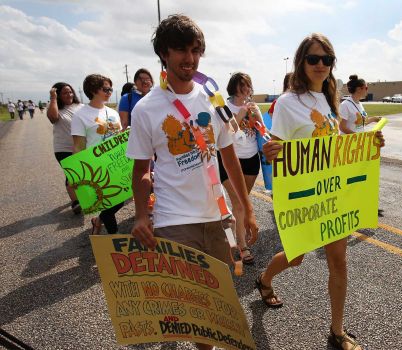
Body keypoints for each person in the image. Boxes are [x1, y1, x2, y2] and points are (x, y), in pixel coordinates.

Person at [126, 15, 258, 350]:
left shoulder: (213, 100)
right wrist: (142, 216)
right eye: (181, 50)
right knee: (194, 302)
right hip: (175, 220)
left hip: (217, 215)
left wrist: (246, 207)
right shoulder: (146, 108)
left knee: (215, 299)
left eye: (196, 50)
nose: (190, 58)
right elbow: (142, 169)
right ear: (164, 54)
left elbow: (228, 156)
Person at [260, 33, 385, 350]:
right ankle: (263, 280)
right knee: (297, 257)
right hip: (304, 196)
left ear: (332, 65)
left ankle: (337, 331)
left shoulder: (330, 101)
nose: (320, 65)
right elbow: (278, 148)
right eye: (313, 59)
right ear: (301, 61)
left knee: (338, 261)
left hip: (333, 195)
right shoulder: (288, 103)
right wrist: (273, 153)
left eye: (326, 60)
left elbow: (335, 145)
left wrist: (368, 145)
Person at [216, 72, 263, 265]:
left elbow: (262, 131)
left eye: (248, 86)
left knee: (242, 204)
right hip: (229, 159)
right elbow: (225, 132)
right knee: (238, 202)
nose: (246, 90)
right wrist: (240, 114)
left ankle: (234, 234)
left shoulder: (254, 106)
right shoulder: (223, 107)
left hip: (251, 158)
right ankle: (242, 246)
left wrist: (257, 115)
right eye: (242, 86)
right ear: (233, 87)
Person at [71, 74, 123, 234]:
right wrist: (78, 175)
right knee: (108, 201)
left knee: (120, 200)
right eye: (105, 89)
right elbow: (78, 146)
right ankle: (115, 238)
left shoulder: (112, 112)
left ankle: (98, 220)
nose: (109, 92)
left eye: (111, 89)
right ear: (93, 90)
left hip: (115, 163)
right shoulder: (80, 115)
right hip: (96, 166)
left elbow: (120, 138)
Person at [47, 82, 83, 214]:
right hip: (64, 148)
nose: (69, 94)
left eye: (70, 91)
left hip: (82, 147)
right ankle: (76, 202)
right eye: (64, 93)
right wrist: (53, 98)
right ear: (58, 95)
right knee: (71, 174)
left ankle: (81, 195)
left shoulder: (81, 107)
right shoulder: (55, 107)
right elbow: (53, 118)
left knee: (82, 173)